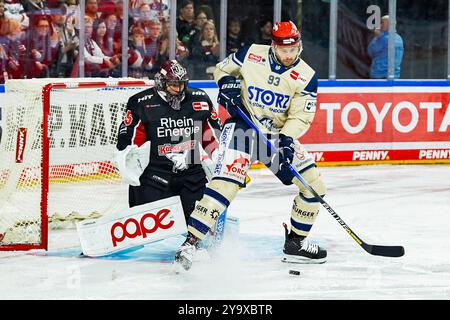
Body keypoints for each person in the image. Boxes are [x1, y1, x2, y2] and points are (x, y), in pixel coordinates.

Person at [174, 21, 327, 271]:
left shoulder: (307, 76)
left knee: (314, 186)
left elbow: (300, 116)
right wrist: (226, 85)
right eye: (283, 50)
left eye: (293, 49)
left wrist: (287, 141)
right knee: (224, 185)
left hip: (276, 136)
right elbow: (222, 70)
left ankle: (295, 244)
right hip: (243, 129)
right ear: (273, 46)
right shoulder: (251, 53)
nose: (289, 55)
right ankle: (190, 243)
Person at [115, 60, 222, 223]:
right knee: (147, 224)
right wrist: (127, 158)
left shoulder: (199, 99)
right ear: (161, 82)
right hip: (156, 175)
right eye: (173, 84)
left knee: (199, 224)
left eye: (182, 84)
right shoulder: (141, 102)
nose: (178, 89)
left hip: (191, 174)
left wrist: (219, 159)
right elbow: (130, 139)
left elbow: (212, 134)